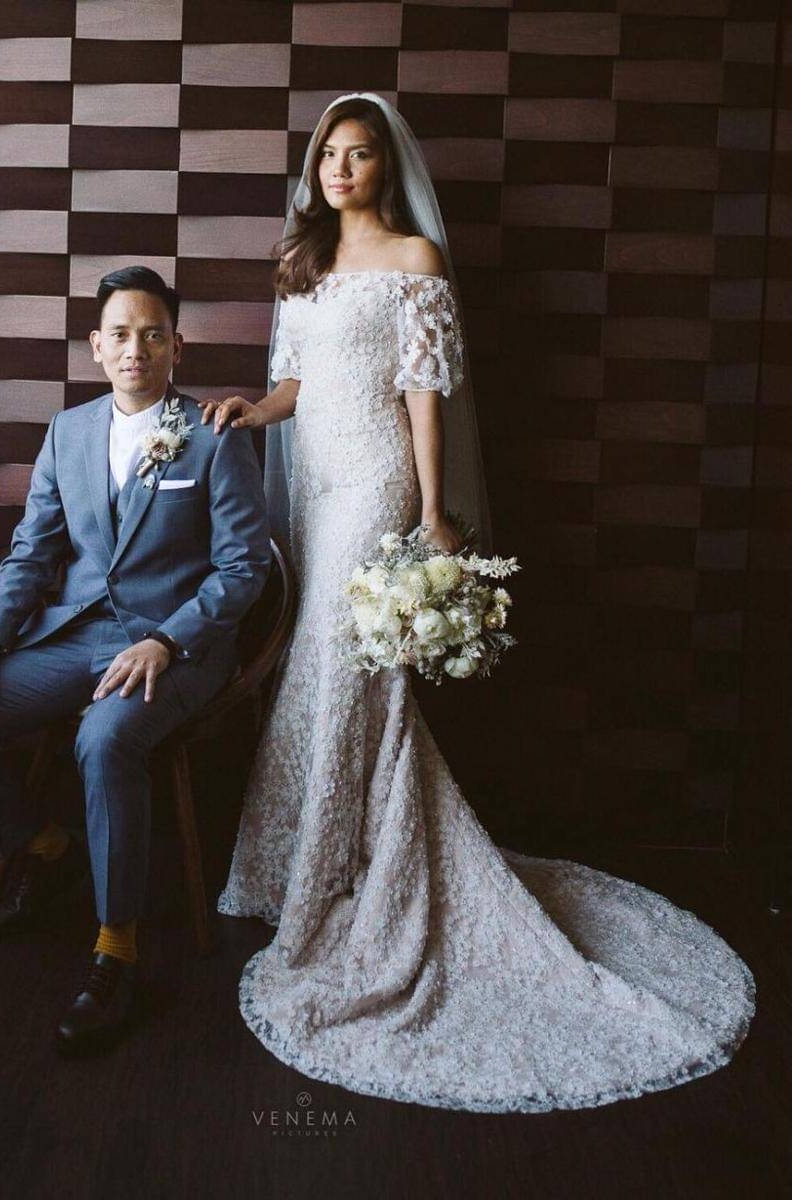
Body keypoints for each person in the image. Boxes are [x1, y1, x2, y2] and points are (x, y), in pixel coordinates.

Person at [201, 93, 756, 1112]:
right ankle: (312, 865)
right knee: (321, 671)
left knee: (343, 668)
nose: (341, 169)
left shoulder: (415, 259)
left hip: (375, 484)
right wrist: (250, 409)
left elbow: (425, 393)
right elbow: (295, 384)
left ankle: (336, 874)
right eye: (329, 155)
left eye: (360, 155)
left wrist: (430, 510)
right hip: (315, 483)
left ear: (386, 167)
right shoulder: (303, 261)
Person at [0, 266, 271, 1056]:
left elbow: (244, 567)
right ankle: (45, 850)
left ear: (177, 345)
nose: (136, 347)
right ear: (96, 346)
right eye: (120, 334)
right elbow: (31, 553)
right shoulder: (67, 432)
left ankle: (116, 951)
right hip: (76, 635)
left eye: (153, 334)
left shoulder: (215, 434)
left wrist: (166, 640)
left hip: (177, 646)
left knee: (103, 740)